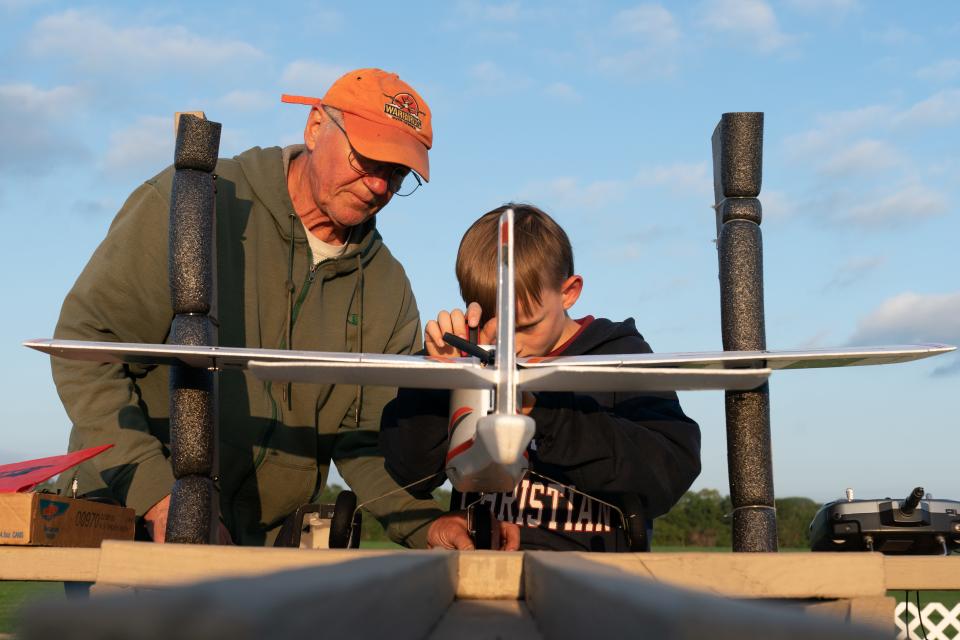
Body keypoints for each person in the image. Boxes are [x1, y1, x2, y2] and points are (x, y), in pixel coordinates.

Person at [52, 68, 447, 547]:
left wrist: (429, 525)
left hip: (259, 553)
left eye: (397, 173)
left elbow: (365, 441)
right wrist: (158, 497)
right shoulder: (192, 204)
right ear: (317, 126)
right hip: (125, 519)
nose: (379, 186)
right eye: (367, 159)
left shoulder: (388, 287)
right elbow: (88, 355)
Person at [381, 204, 701, 551]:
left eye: (526, 325)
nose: (508, 343)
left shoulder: (619, 355)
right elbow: (410, 473)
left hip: (595, 579)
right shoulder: (469, 358)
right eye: (491, 321)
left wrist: (545, 412)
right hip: (484, 572)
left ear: (569, 292)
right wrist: (440, 381)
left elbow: (670, 473)